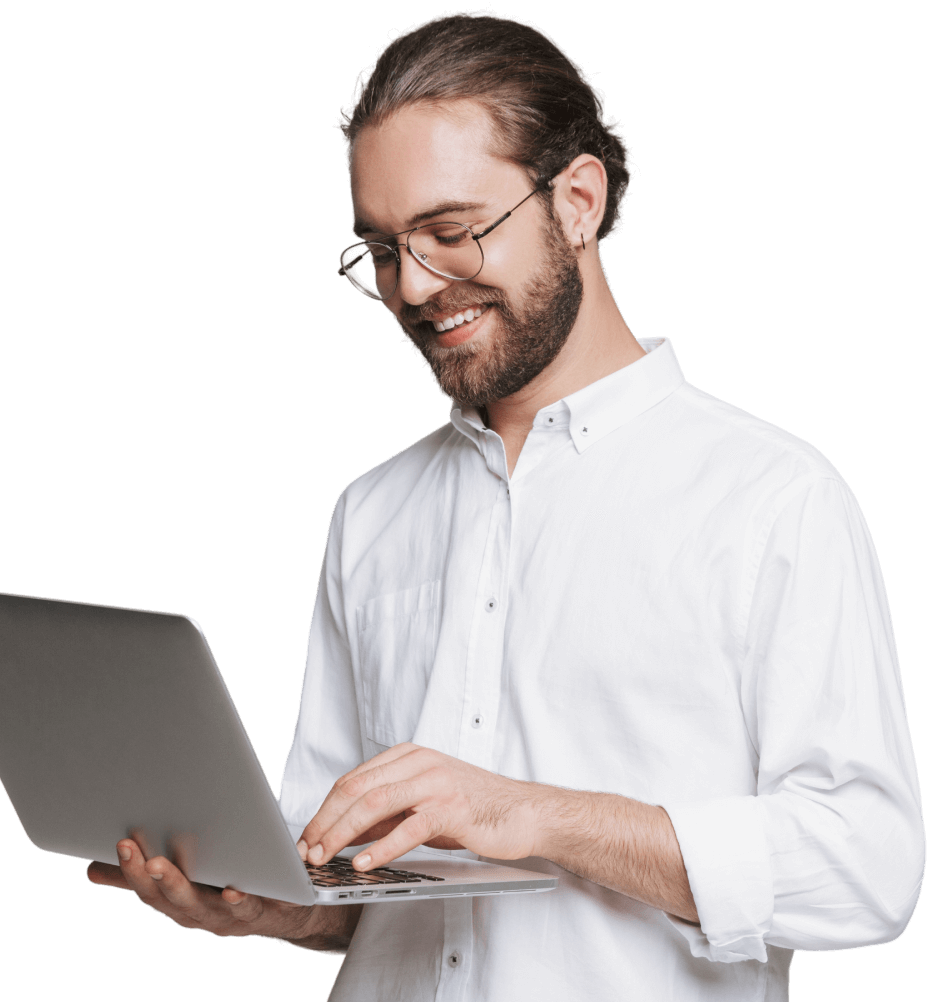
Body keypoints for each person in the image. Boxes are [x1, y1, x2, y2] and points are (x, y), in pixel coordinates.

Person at [86, 12, 923, 999]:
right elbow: (353, 876)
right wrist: (285, 909)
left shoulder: (772, 498)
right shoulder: (372, 511)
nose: (416, 286)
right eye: (384, 251)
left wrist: (537, 817)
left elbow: (865, 868)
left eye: (450, 232)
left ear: (576, 200)